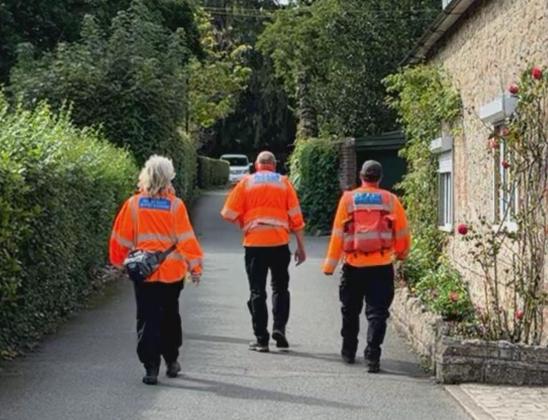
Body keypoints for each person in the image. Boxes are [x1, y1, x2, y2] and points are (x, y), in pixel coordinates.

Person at [109, 156, 205, 385]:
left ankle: (150, 368)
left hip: (144, 271)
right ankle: (172, 360)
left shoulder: (133, 204)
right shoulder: (176, 205)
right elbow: (186, 239)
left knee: (147, 318)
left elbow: (120, 237)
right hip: (171, 271)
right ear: (168, 178)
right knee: (170, 316)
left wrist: (120, 263)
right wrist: (195, 267)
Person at [322, 160, 411, 373]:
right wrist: (401, 254)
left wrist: (330, 265)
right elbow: (402, 232)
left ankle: (348, 351)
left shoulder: (348, 200)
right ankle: (373, 357)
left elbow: (337, 234)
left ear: (361, 176)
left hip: (354, 265)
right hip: (381, 266)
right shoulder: (391, 200)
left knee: (350, 311)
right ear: (379, 178)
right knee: (378, 313)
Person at [220, 151, 307, 352]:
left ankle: (261, 339)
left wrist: (244, 223)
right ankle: (279, 328)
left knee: (257, 291)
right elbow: (296, 218)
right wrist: (301, 248)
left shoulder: (246, 183)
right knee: (280, 288)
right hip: (279, 243)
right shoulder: (284, 183)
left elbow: (228, 213)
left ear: (256, 166)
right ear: (274, 166)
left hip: (254, 244)